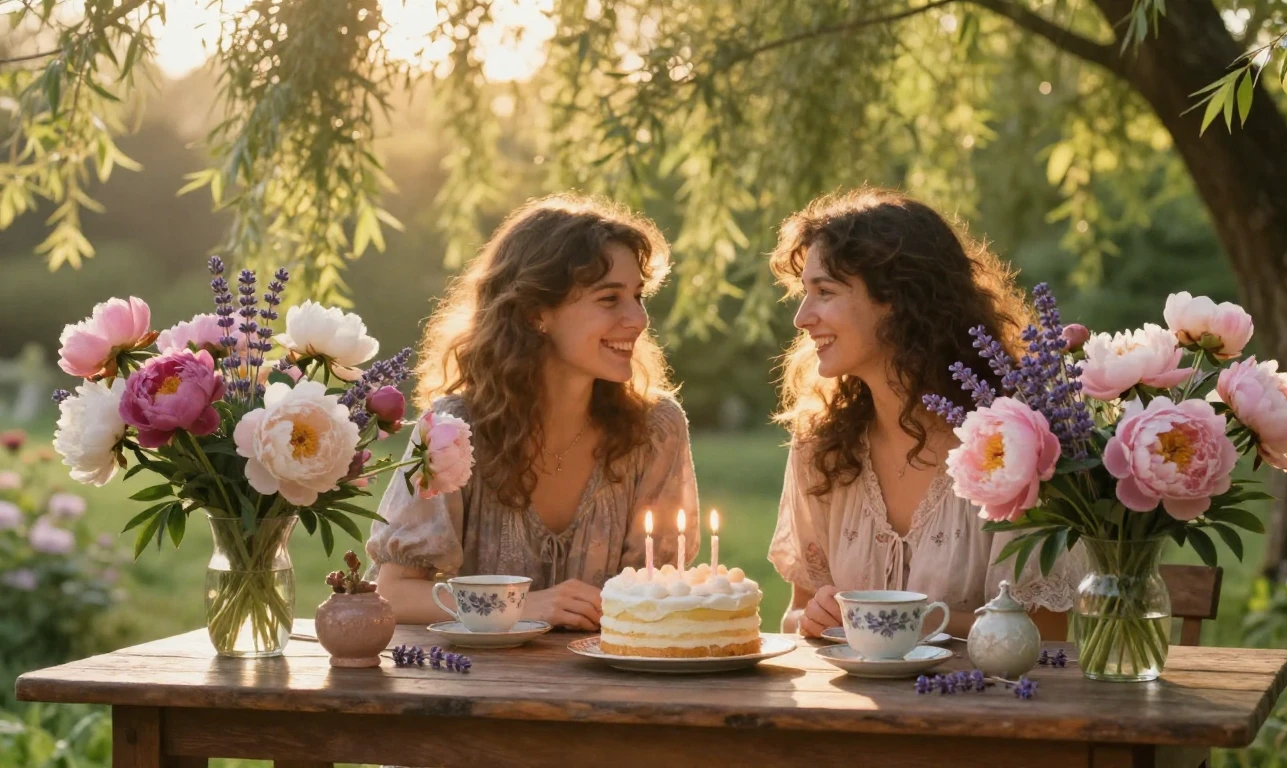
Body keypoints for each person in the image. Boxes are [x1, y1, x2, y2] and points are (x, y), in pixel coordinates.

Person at [367, 194, 699, 629]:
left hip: (620, 686)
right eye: (609, 298)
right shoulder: (452, 429)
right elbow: (393, 593)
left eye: (638, 296)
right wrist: (521, 607)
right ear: (536, 312)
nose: (638, 318)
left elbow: (663, 594)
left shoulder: (655, 430)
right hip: (476, 689)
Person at [767, 187, 1079, 641]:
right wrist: (814, 619)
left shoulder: (1018, 441)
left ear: (896, 297)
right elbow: (795, 619)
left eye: (824, 292)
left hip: (988, 707)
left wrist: (904, 621)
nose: (801, 317)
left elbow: (1045, 635)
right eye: (804, 292)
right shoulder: (821, 445)